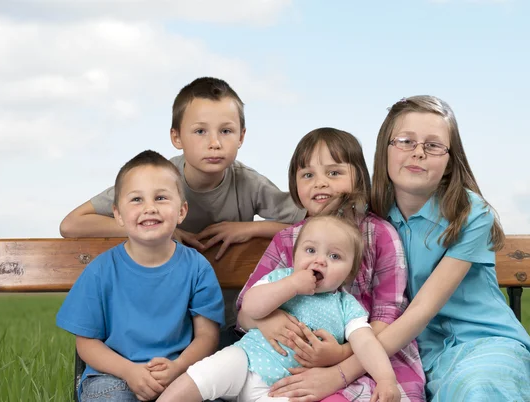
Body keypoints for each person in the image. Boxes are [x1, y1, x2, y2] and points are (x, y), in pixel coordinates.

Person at [58, 77, 306, 341]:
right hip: (166, 326)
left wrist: (251, 228)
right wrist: (165, 231)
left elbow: (314, 223)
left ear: (241, 136)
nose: (215, 143)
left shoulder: (249, 182)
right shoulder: (156, 179)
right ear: (176, 137)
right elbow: (72, 224)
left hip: (228, 322)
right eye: (200, 131)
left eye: (226, 131)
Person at [368, 96, 530, 401]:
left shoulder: (470, 213)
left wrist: (342, 368)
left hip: (486, 345)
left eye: (433, 145)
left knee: (478, 389)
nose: (418, 152)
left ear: (449, 159)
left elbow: (421, 310)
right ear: (385, 150)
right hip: (413, 354)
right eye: (406, 141)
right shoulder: (371, 217)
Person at [236, 128, 426, 402]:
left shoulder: (380, 235)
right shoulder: (287, 240)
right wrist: (267, 321)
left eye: (334, 173)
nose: (320, 183)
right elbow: (245, 310)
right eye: (308, 175)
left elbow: (388, 318)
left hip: (373, 358)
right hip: (291, 362)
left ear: (358, 177)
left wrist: (341, 355)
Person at [158, 214, 401, 402]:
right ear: (294, 256)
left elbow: (367, 344)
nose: (319, 260)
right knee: (203, 375)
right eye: (310, 250)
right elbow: (251, 307)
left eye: (335, 256)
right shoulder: (281, 278)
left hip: (283, 386)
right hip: (246, 360)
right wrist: (292, 285)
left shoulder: (347, 307)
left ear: (350, 273)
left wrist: (386, 379)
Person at [56, 150, 225, 402]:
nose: (149, 208)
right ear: (118, 214)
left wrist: (177, 368)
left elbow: (207, 337)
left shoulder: (197, 268)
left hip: (180, 372)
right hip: (114, 375)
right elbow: (87, 344)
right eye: (136, 199)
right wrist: (130, 372)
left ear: (181, 211)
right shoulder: (100, 270)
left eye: (160, 198)